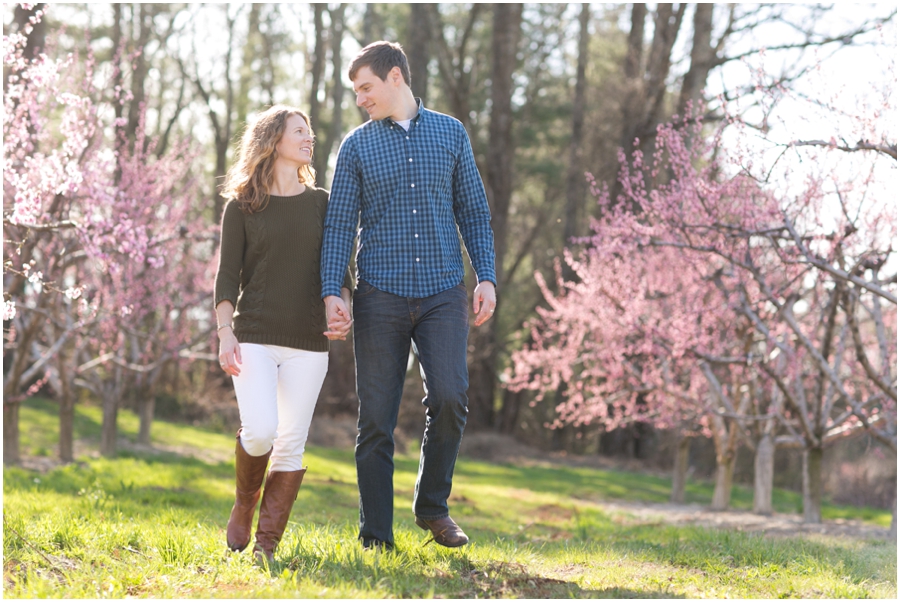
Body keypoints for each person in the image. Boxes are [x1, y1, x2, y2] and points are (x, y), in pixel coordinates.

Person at [321, 41, 497, 550]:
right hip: (380, 295)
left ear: (395, 77)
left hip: (444, 291)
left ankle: (432, 507)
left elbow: (474, 211)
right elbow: (338, 228)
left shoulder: (451, 133)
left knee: (450, 397)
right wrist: (333, 289)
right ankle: (376, 537)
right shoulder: (356, 146)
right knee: (375, 420)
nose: (361, 99)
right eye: (356, 92)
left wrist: (484, 275)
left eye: (366, 88)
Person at [214, 105, 353, 563]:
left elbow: (337, 265)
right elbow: (226, 276)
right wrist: (224, 332)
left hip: (309, 342)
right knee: (260, 432)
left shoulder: (321, 202)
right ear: (274, 141)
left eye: (309, 131)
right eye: (299, 131)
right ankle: (245, 500)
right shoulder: (242, 206)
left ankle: (267, 546)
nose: (309, 138)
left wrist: (343, 302)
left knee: (291, 442)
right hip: (253, 333)